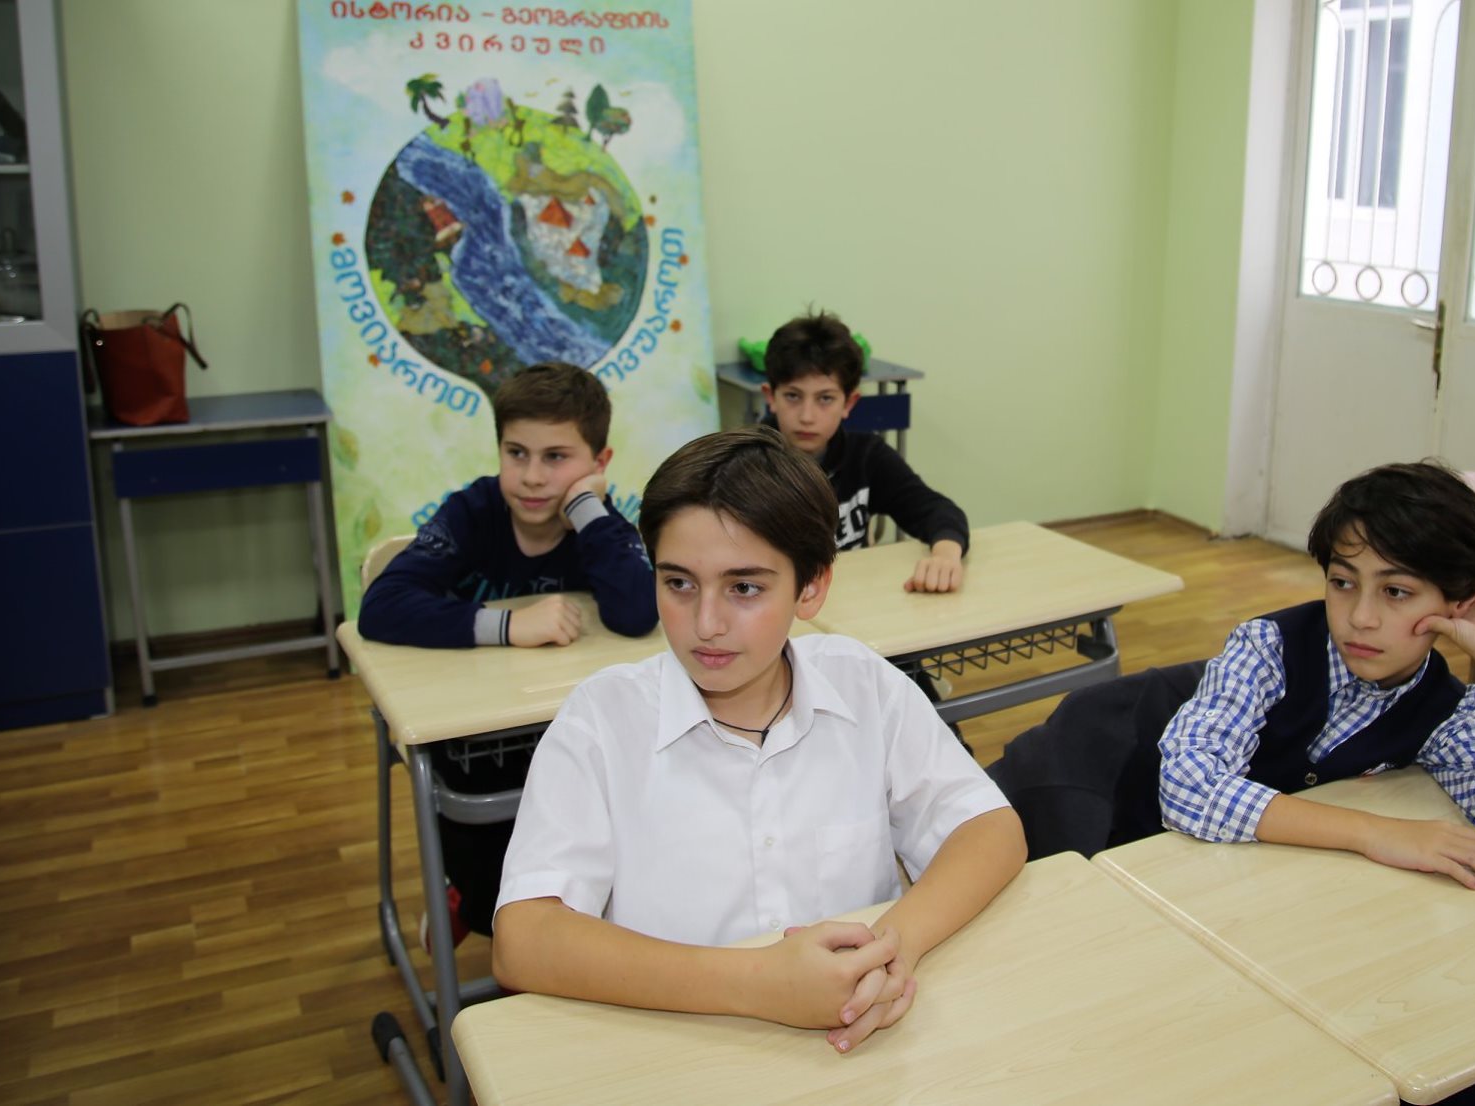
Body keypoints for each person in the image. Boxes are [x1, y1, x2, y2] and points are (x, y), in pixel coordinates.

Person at [491, 426, 1026, 1055]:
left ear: (812, 587)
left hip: (861, 1047)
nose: (706, 624)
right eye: (678, 583)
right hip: (672, 1057)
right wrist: (757, 984)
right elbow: (524, 938)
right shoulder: (601, 722)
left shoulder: (864, 687)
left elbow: (990, 830)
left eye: (744, 588)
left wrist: (889, 950)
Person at [1157, 460, 1475, 887]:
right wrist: (1373, 833)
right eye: (1343, 582)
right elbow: (1187, 787)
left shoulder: (1446, 711)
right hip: (1182, 875)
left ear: (1460, 602)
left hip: (1299, 890)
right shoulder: (1268, 648)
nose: (1360, 617)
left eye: (1395, 591)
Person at [358, 361, 655, 947]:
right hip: (475, 740)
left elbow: (638, 613)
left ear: (599, 463)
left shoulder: (598, 525)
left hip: (567, 727)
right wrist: (507, 625)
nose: (532, 477)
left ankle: (565, 916)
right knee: (487, 855)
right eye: (516, 454)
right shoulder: (471, 513)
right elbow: (381, 606)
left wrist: (586, 508)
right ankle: (474, 900)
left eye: (556, 457)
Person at [760, 310, 969, 593]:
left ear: (849, 403)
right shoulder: (744, 463)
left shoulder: (866, 456)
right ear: (771, 397)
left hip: (852, 598)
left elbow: (936, 510)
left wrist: (945, 557)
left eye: (825, 398)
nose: (807, 416)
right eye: (793, 396)